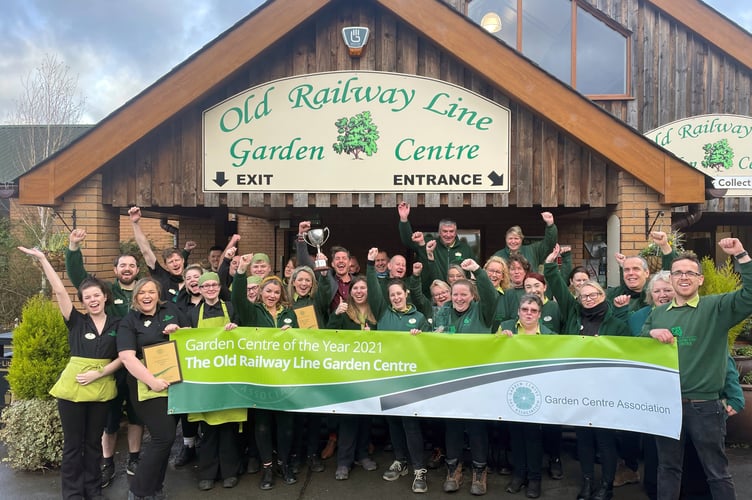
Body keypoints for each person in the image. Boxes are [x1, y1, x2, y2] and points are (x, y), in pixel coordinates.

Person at [643, 239, 752, 499]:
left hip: (706, 406)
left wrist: (741, 255)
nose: (684, 277)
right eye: (678, 272)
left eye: (690, 273)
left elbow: (749, 295)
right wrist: (651, 332)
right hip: (667, 405)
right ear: (670, 278)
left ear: (700, 280)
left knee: (716, 472)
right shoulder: (659, 314)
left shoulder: (717, 307)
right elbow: (642, 339)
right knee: (667, 468)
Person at [20, 246, 121, 500]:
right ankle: (73, 494)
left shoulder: (119, 325)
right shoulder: (76, 321)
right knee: (74, 446)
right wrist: (43, 259)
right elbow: (59, 290)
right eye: (87, 297)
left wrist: (99, 373)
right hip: (72, 392)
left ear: (105, 297)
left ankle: (93, 490)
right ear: (83, 301)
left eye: (96, 295)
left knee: (93, 444)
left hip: (100, 389)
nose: (93, 300)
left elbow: (124, 358)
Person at [544, 244, 631, 500]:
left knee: (604, 439)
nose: (589, 299)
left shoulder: (615, 323)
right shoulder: (573, 314)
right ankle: (586, 481)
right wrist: (551, 263)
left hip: (605, 390)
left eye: (593, 295)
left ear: (603, 295)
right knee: (583, 439)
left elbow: (625, 354)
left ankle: (606, 486)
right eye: (584, 296)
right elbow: (557, 284)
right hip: (578, 389)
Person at [65, 228, 144, 486]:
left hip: (139, 366)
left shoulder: (145, 291)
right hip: (111, 365)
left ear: (137, 270)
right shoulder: (107, 292)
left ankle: (134, 457)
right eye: (123, 265)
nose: (127, 269)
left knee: (135, 415)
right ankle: (107, 463)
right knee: (109, 419)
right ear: (115, 269)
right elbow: (80, 279)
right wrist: (74, 248)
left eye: (132, 265)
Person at [117, 277, 190, 500]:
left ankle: (154, 489)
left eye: (151, 292)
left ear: (158, 295)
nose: (147, 296)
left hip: (175, 383)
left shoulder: (172, 310)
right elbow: (127, 357)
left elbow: (190, 335)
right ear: (135, 297)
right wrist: (152, 381)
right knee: (164, 437)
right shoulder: (129, 321)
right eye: (142, 293)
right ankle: (138, 491)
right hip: (146, 386)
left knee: (165, 441)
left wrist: (178, 330)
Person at [366, 247, 431, 494]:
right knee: (393, 422)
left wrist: (421, 337)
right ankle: (401, 461)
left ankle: (419, 469)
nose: (395, 297)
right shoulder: (383, 312)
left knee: (410, 424)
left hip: (411, 381)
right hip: (388, 378)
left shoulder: (420, 318)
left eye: (399, 294)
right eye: (391, 294)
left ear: (406, 294)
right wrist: (370, 265)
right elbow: (373, 288)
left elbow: (427, 350)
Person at [231, 257, 299, 490]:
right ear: (260, 292)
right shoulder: (252, 313)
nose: (272, 295)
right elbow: (238, 299)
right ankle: (267, 467)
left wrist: (292, 333)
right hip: (260, 379)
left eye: (276, 292)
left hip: (285, 378)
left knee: (286, 425)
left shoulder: (289, 314)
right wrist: (240, 272)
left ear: (281, 295)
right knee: (262, 425)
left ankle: (284, 463)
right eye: (268, 291)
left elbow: (301, 341)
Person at [433, 258, 496, 496]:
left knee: (477, 426)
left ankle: (480, 471)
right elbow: (434, 342)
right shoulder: (443, 314)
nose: (459, 298)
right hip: (449, 381)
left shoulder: (483, 312)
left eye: (463, 295)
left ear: (472, 296)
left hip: (477, 381)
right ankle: (453, 468)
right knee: (453, 426)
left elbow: (490, 293)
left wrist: (478, 271)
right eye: (455, 294)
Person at [188, 272, 244, 491]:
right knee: (208, 427)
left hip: (229, 375)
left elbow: (244, 335)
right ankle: (208, 472)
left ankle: (230, 471)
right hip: (205, 378)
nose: (210, 289)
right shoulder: (192, 314)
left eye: (214, 285)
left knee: (228, 427)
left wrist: (236, 329)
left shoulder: (231, 308)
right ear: (199, 290)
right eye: (206, 286)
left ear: (220, 287)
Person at [498, 294, 555, 499]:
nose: (528, 313)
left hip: (536, 393)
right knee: (515, 434)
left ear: (540, 314)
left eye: (533, 310)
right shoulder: (506, 329)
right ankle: (518, 474)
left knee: (533, 437)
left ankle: (534, 478)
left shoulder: (549, 336)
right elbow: (492, 354)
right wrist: (500, 341)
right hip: (511, 390)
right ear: (518, 311)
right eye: (525, 309)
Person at [326, 276, 379, 481]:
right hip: (348, 371)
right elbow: (331, 335)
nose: (359, 291)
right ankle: (344, 462)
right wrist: (336, 314)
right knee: (348, 416)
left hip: (370, 372)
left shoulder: (375, 313)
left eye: (363, 288)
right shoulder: (344, 312)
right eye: (355, 288)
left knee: (365, 416)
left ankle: (363, 455)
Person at [398, 201, 475, 281]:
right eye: (445, 231)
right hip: (434, 291)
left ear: (455, 233)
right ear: (439, 232)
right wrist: (404, 219)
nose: (448, 235)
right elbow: (408, 241)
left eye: (451, 231)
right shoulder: (430, 244)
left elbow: (474, 272)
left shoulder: (466, 249)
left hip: (457, 291)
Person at [129, 206, 186, 301]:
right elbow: (145, 250)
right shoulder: (162, 276)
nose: (175, 264)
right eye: (171, 262)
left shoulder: (192, 278)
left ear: (183, 260)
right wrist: (135, 223)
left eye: (177, 260)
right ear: (166, 266)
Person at [297, 221, 353, 312]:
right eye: (337, 258)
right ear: (332, 264)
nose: (341, 261)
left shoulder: (357, 282)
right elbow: (304, 261)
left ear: (350, 262)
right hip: (331, 324)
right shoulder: (325, 276)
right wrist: (301, 235)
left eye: (344, 258)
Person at [493, 212, 557, 272]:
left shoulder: (532, 250)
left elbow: (549, 244)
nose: (513, 241)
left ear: (521, 239)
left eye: (516, 238)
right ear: (505, 239)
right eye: (510, 238)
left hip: (529, 283)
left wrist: (550, 225)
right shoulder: (498, 256)